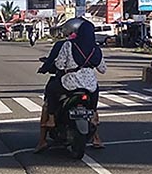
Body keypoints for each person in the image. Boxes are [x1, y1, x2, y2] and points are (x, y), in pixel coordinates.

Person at [34, 18, 106, 153]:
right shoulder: (96, 49)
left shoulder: (68, 45)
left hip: (70, 82)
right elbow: (103, 69)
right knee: (93, 102)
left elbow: (60, 64)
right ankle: (96, 134)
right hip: (90, 86)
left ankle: (49, 123)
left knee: (51, 90)